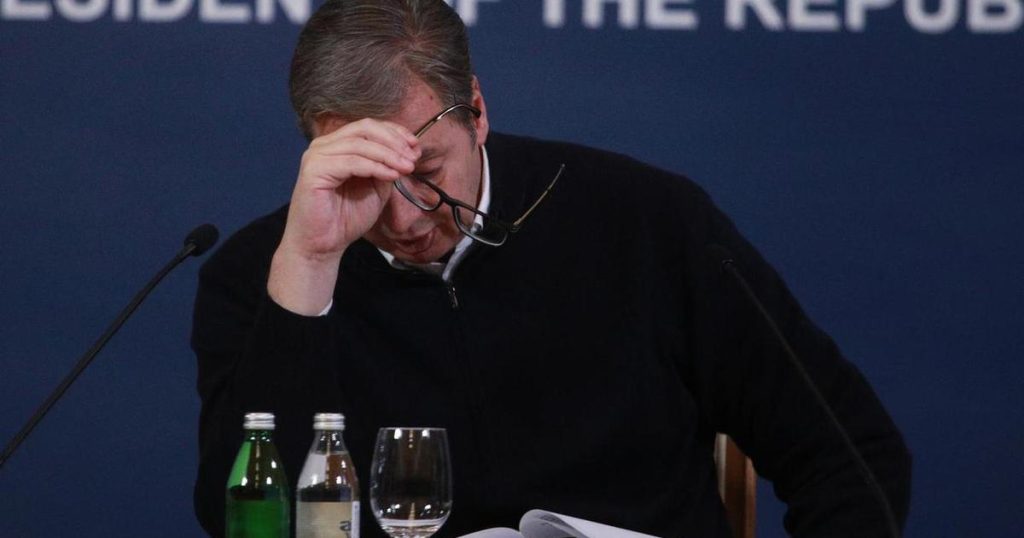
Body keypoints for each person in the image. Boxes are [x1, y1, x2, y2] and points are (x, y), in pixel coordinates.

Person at [191, 1, 912, 536]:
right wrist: (310, 268)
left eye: (428, 172)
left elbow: (850, 457)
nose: (406, 219)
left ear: (476, 111)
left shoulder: (645, 221)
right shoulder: (264, 274)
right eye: (366, 181)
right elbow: (241, 522)